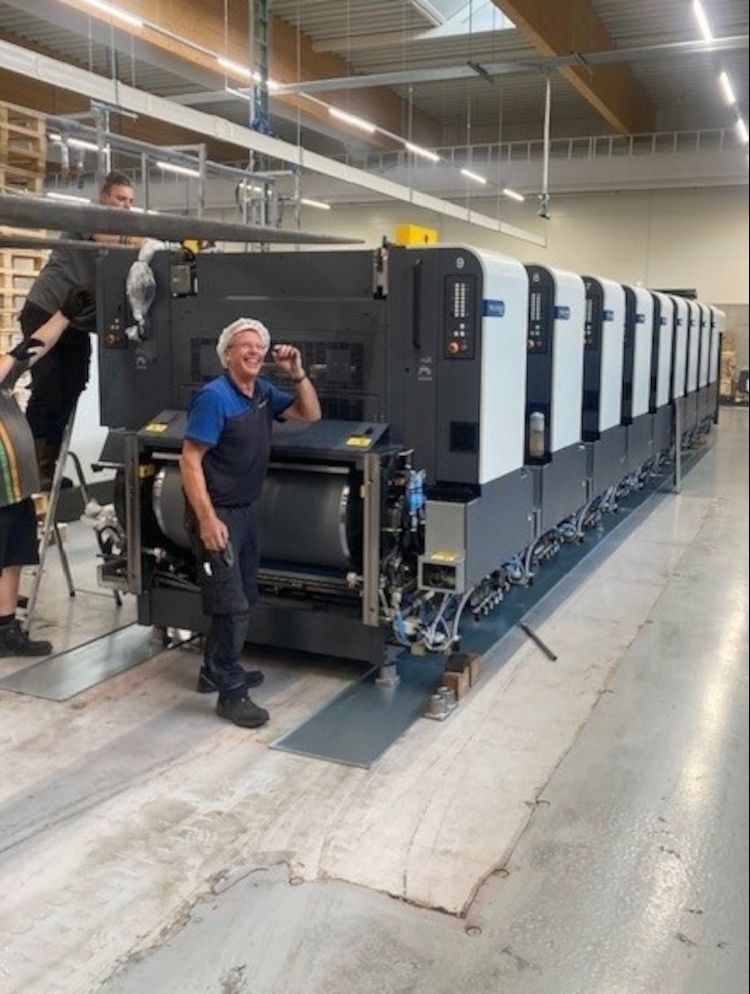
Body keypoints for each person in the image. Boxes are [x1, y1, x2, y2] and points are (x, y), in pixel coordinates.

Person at [180, 318, 321, 728]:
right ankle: (231, 692)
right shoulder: (214, 398)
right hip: (218, 514)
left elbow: (310, 414)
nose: (255, 351)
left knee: (243, 596)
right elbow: (189, 461)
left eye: (260, 346)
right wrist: (207, 520)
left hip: (245, 511)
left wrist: (297, 373)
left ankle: (213, 670)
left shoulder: (262, 392)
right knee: (233, 607)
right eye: (245, 345)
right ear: (227, 354)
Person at [19, 170, 146, 488]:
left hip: (75, 321)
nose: (126, 206)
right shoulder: (90, 218)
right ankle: (30, 469)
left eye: (131, 201)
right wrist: (151, 241)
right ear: (104, 198)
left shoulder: (121, 234)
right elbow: (107, 238)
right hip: (45, 312)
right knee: (49, 387)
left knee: (73, 386)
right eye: (120, 199)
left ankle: (47, 466)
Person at [0, 292, 94, 657]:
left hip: (14, 490)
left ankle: (6, 630)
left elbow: (35, 348)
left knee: (12, 558)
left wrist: (63, 316)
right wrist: (14, 356)